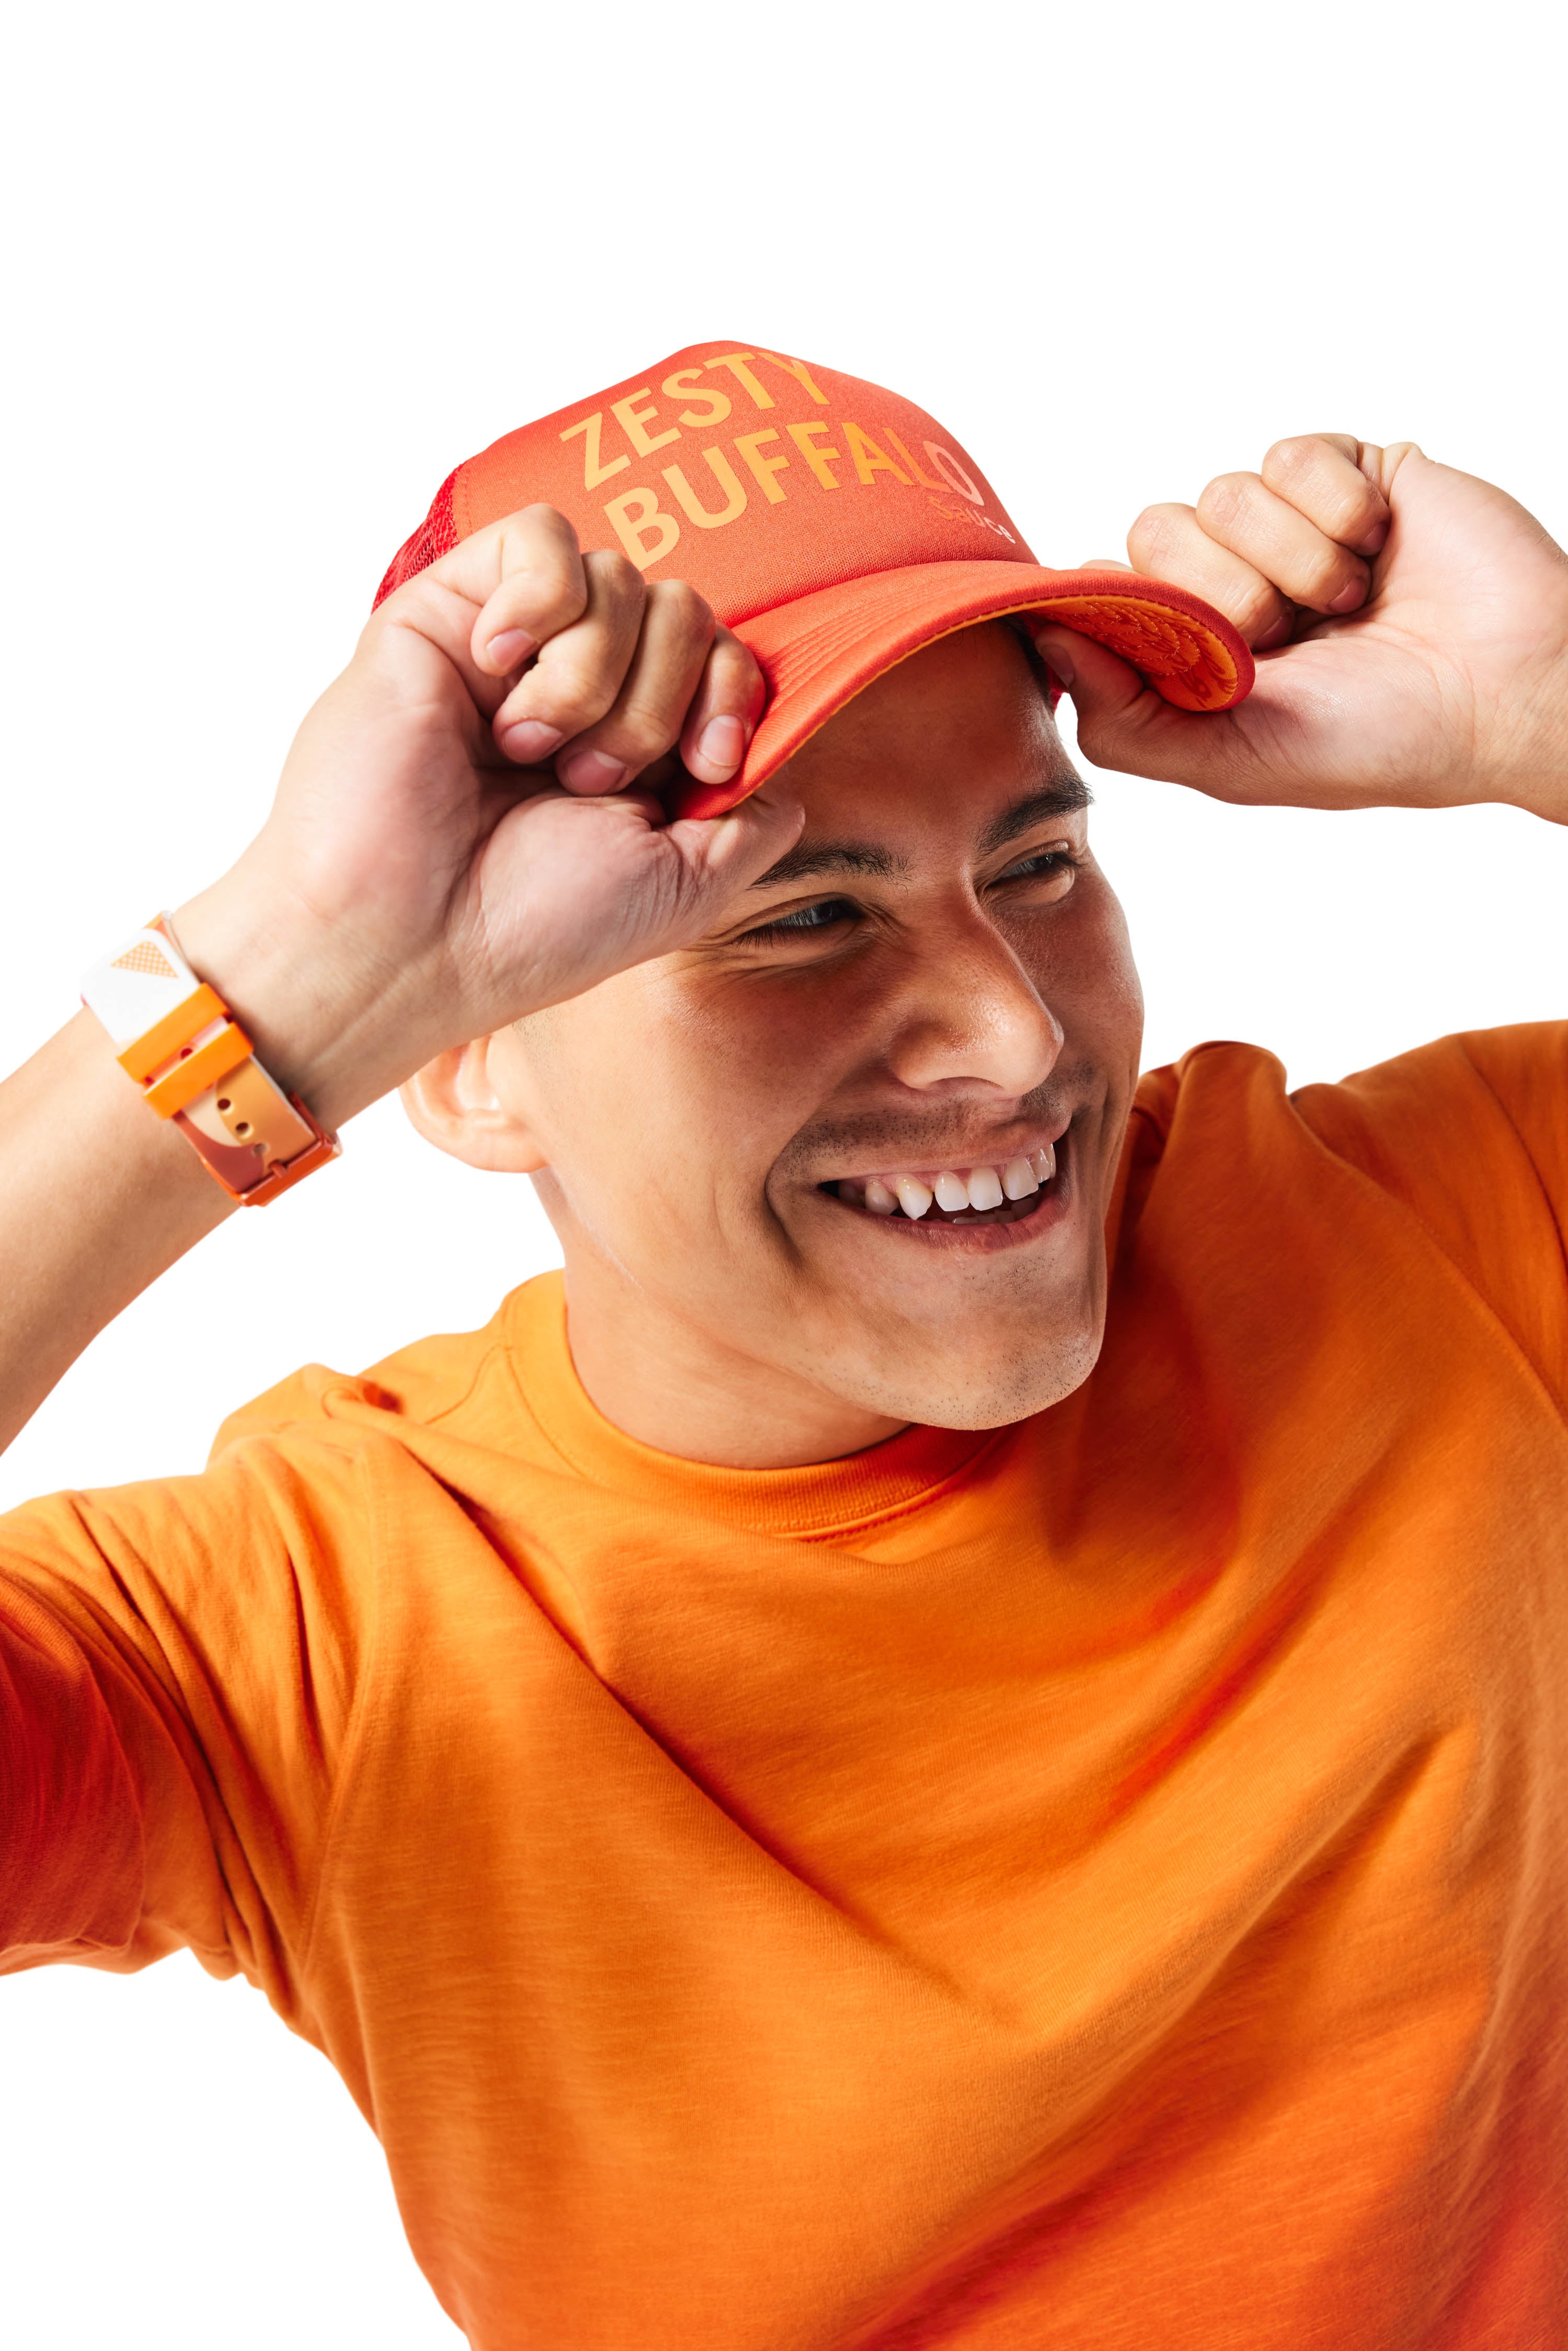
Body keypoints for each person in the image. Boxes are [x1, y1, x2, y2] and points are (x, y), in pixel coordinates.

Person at [3, 339, 1566, 2351]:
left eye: (1037, 863)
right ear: (470, 1059)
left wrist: (1549, 709)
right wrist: (277, 990)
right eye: (799, 916)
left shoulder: (1440, 1229)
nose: (1014, 1037)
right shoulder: (313, 1623)